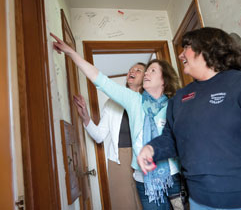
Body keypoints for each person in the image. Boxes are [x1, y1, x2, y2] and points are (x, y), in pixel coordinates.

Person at [51, 32, 182, 210]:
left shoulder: (174, 104)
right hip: (138, 173)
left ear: (164, 80)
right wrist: (72, 53)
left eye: (148, 70)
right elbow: (102, 81)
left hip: (171, 175)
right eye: (145, 70)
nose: (137, 73)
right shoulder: (133, 101)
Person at [137, 27, 241, 210]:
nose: (180, 55)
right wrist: (151, 148)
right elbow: (171, 138)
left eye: (186, 47)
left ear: (206, 48)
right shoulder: (179, 98)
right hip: (199, 200)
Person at [73, 62, 145, 210]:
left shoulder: (148, 101)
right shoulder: (111, 103)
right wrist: (85, 117)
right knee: (123, 205)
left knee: (147, 203)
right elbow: (99, 136)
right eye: (131, 69)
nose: (132, 71)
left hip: (143, 158)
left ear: (146, 78)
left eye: (138, 70)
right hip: (118, 160)